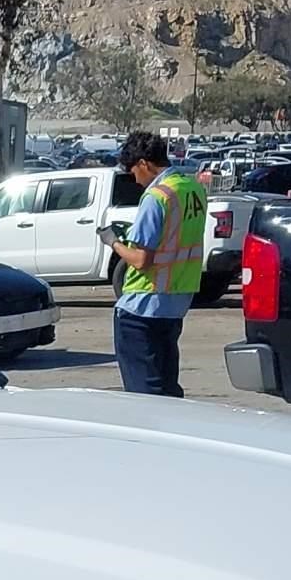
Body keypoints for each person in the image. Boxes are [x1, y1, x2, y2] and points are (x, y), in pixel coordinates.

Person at [100, 132, 207, 397]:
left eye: (133, 171)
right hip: (176, 302)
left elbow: (141, 260)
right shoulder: (192, 188)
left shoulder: (156, 196)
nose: (135, 180)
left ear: (144, 163)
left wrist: (112, 242)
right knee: (167, 387)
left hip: (141, 306)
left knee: (144, 393)